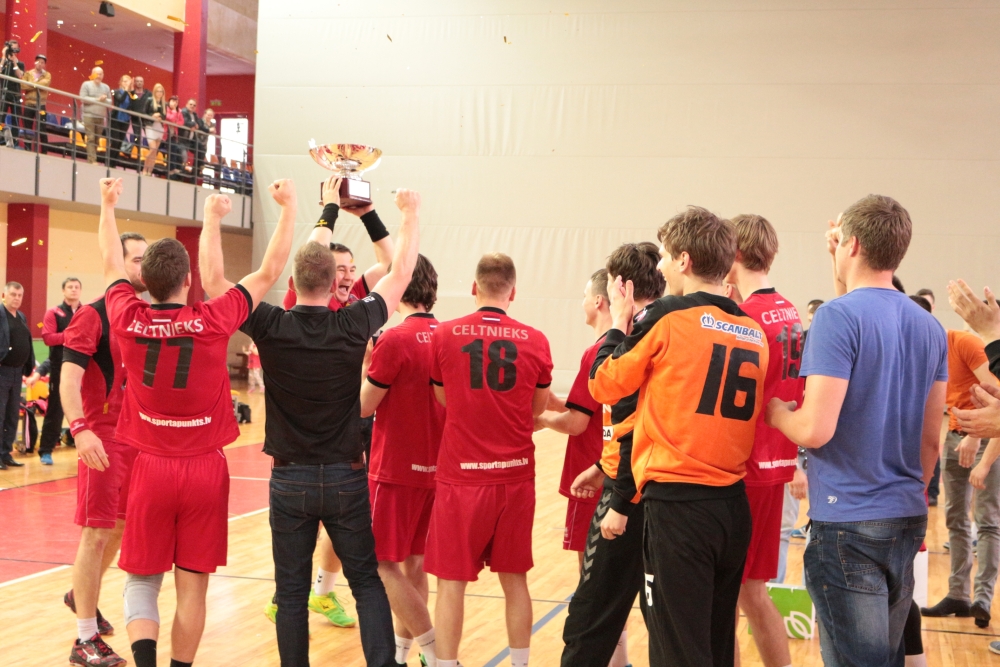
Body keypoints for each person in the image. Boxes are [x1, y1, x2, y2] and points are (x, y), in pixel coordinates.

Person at [199, 174, 419, 667]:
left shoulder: (272, 324)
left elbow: (214, 283)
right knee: (366, 583)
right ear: (336, 282)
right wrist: (409, 214)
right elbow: (402, 270)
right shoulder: (354, 322)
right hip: (345, 475)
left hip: (290, 479)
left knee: (292, 593)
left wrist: (214, 219)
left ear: (293, 284)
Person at [96, 176, 295, 667]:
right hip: (205, 470)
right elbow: (270, 269)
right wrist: (286, 206)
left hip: (151, 466)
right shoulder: (213, 319)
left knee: (141, 579)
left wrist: (107, 205)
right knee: (193, 588)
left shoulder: (127, 316)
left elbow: (111, 263)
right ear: (188, 280)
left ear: (145, 281)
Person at [767, 195, 947, 667]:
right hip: (905, 514)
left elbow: (814, 429)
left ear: (853, 244)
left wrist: (776, 413)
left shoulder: (837, 317)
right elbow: (932, 439)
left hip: (848, 521)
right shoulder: (929, 327)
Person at [590, 207, 767, 667]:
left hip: (679, 508)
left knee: (676, 651)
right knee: (715, 645)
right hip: (732, 506)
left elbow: (604, 384)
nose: (663, 266)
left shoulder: (667, 316)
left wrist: (618, 323)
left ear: (684, 260)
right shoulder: (753, 330)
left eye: (667, 256)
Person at [426, 252, 553, 667]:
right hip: (516, 477)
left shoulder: (444, 334)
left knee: (451, 583)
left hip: (461, 478)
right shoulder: (536, 340)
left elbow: (443, 398)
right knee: (515, 580)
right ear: (512, 293)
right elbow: (537, 410)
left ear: (474, 287)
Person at [559, 242, 664, 667]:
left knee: (590, 616)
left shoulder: (633, 336)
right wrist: (603, 466)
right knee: (666, 617)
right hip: (670, 491)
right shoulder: (676, 325)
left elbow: (614, 398)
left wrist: (618, 495)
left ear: (621, 288)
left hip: (632, 492)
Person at [62, 232, 147, 667]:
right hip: (101, 438)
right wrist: (80, 430)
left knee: (119, 528)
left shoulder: (145, 314)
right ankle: (84, 640)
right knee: (95, 532)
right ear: (118, 262)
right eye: (136, 259)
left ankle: (81, 594)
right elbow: (68, 380)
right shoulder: (92, 316)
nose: (144, 267)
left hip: (136, 440)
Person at [725, 213, 804, 667]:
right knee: (753, 591)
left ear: (734, 253)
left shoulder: (744, 318)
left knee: (725, 596)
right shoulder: (789, 310)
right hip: (777, 461)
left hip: (744, 466)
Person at [359, 253, 443, 667]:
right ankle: (401, 655)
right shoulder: (449, 336)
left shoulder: (393, 340)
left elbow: (363, 406)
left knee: (382, 565)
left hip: (395, 468)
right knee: (415, 565)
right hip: (438, 468)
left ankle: (437, 654)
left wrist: (363, 365)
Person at [920, 322, 1000, 627]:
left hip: (987, 437)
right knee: (955, 519)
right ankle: (958, 595)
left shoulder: (964, 342)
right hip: (955, 436)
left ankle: (982, 598)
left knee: (987, 520)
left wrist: (976, 438)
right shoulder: (927, 350)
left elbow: (997, 396)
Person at [536, 269, 612, 568]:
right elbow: (596, 409)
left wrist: (542, 418)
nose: (582, 303)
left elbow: (576, 424)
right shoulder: (628, 346)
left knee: (591, 577)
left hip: (591, 478)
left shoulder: (596, 352)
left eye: (584, 296)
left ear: (598, 301)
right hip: (618, 475)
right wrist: (559, 406)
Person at [38, 277, 82, 465]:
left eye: (76, 287)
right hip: (60, 369)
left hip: (83, 369)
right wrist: (71, 336)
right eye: (70, 287)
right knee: (55, 410)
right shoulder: (53, 313)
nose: (73, 289)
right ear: (63, 291)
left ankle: (83, 449)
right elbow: (48, 338)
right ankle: (45, 451)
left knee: (86, 410)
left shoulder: (86, 312)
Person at [0, 282, 34, 470]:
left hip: (17, 373)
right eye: (13, 294)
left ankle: (6, 454)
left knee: (12, 415)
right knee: (0, 414)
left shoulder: (21, 316)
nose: (17, 298)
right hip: (2, 371)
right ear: (4, 295)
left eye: (20, 295)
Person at [80, 68, 111, 164]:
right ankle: (92, 160)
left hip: (101, 117)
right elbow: (83, 98)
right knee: (91, 138)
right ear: (92, 74)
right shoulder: (86, 84)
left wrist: (104, 100)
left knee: (97, 139)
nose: (99, 76)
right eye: (97, 74)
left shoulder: (106, 87)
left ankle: (92, 159)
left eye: (101, 74)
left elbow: (110, 102)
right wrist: (98, 99)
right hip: (88, 115)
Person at [21, 54, 50, 151]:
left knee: (42, 128)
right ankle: (27, 149)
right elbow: (22, 85)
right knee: (27, 128)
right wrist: (36, 85)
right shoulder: (28, 73)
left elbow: (44, 84)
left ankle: (44, 151)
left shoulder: (47, 75)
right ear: (35, 62)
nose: (40, 64)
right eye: (38, 62)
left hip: (41, 105)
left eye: (42, 62)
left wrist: (31, 85)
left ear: (44, 65)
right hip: (28, 104)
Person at [1, 41, 24, 147]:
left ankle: (14, 141)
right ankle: (1, 138)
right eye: (11, 49)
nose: (13, 51)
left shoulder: (20, 64)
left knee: (15, 119)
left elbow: (20, 76)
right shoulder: (3, 61)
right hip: (3, 93)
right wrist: (3, 58)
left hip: (15, 95)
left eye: (15, 49)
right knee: (1, 117)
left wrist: (15, 63)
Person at [140, 83, 166, 176]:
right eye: (158, 91)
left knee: (155, 151)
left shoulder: (164, 103)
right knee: (153, 148)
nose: (159, 93)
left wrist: (160, 117)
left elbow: (165, 116)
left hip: (159, 127)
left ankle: (149, 172)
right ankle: (144, 169)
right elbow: (143, 113)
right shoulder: (149, 100)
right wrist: (152, 116)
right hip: (150, 126)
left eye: (161, 91)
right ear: (154, 92)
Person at [110, 75, 134, 165]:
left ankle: (114, 163)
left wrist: (131, 91)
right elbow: (120, 99)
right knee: (115, 141)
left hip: (125, 120)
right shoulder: (115, 91)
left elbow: (135, 103)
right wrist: (126, 90)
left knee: (120, 142)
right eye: (124, 81)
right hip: (116, 119)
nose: (126, 83)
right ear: (120, 82)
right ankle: (109, 161)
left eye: (128, 81)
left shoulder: (132, 94)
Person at [164, 96, 185, 176]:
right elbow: (169, 117)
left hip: (173, 134)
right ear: (169, 101)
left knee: (176, 149)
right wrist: (173, 112)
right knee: (171, 148)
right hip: (165, 133)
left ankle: (174, 168)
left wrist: (175, 123)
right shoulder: (166, 108)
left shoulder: (179, 111)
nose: (175, 103)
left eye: (176, 102)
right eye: (173, 101)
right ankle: (170, 168)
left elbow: (181, 122)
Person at [129, 76, 151, 153]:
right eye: (137, 81)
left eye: (141, 81)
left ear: (143, 83)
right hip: (135, 118)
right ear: (135, 82)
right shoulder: (132, 93)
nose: (139, 83)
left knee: (149, 136)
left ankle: (149, 153)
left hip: (146, 119)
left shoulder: (148, 94)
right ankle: (138, 153)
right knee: (137, 136)